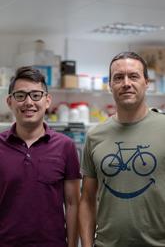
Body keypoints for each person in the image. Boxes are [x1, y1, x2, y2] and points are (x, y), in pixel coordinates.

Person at [79, 51, 165, 247]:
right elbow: (87, 200)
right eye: (118, 77)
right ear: (110, 85)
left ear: (146, 82)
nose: (126, 83)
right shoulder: (95, 136)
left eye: (133, 76)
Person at [0, 66, 81, 247]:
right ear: (10, 101)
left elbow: (73, 203)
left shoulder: (65, 146)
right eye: (20, 95)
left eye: (36, 95)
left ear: (47, 101)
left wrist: (73, 245)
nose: (29, 102)